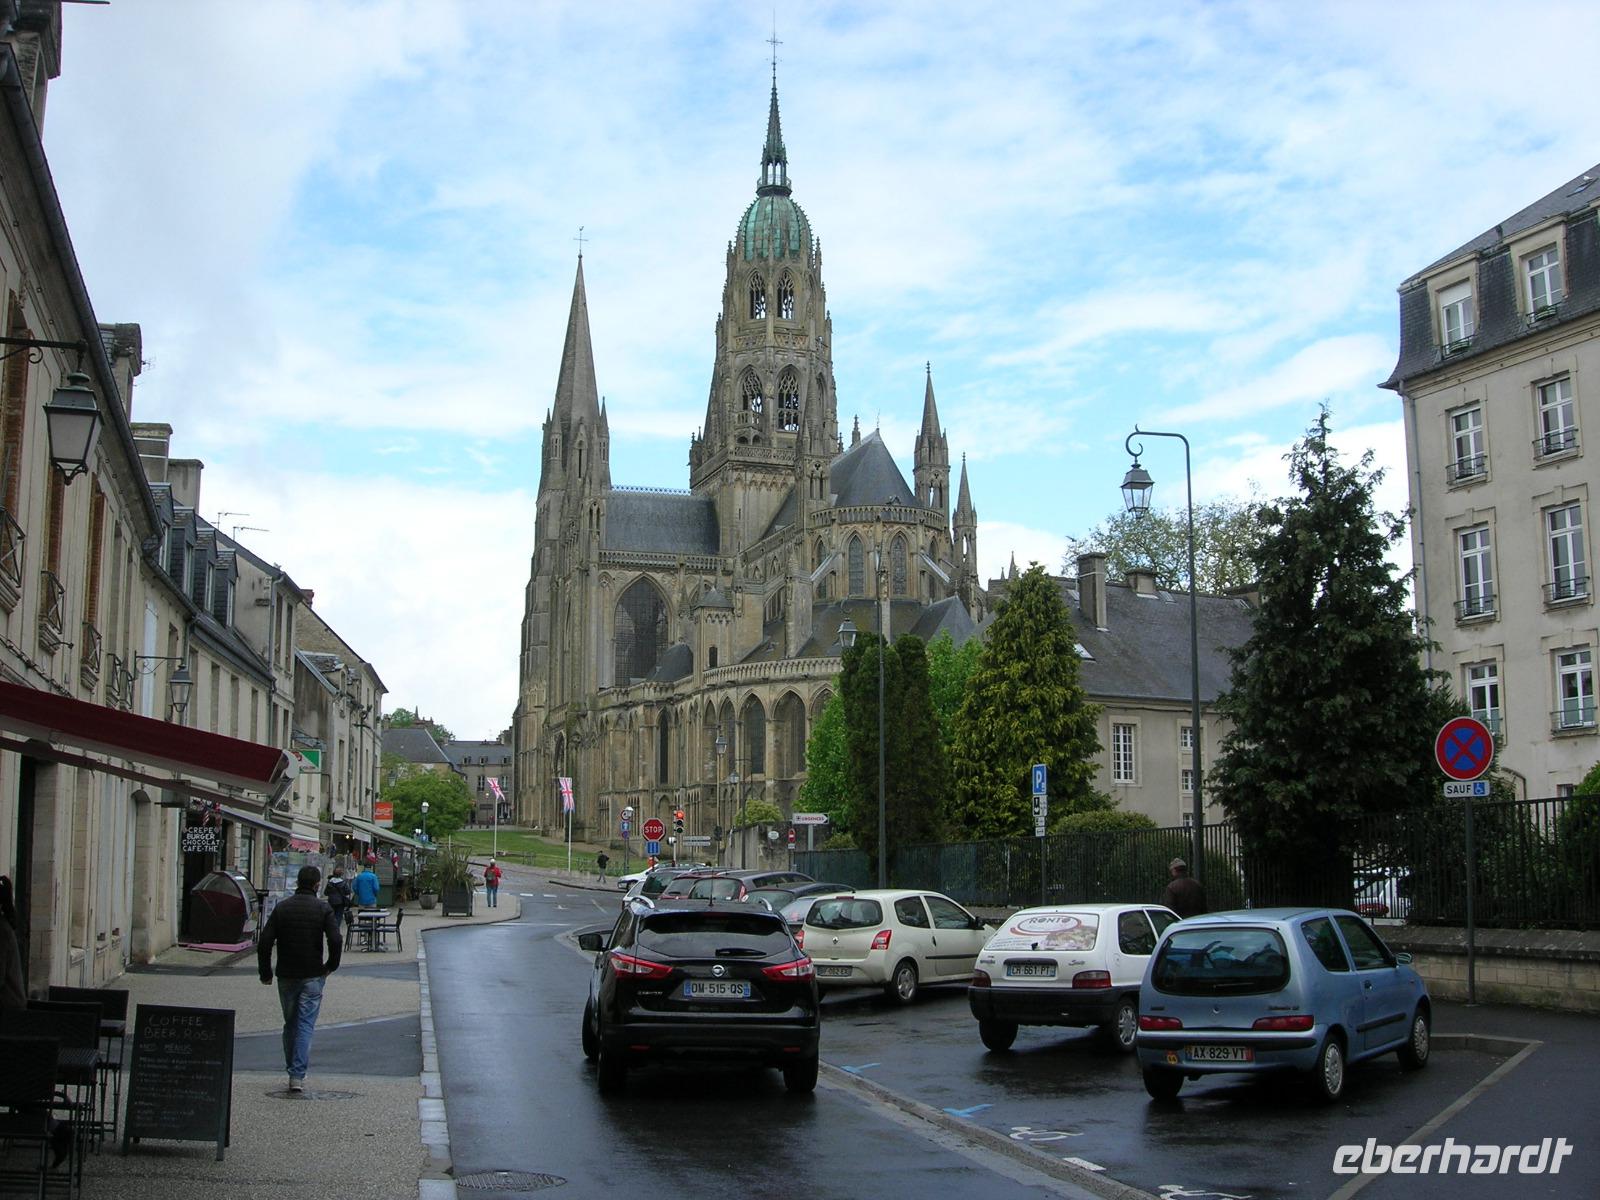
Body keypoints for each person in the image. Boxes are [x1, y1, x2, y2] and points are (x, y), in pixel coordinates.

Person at [257, 865, 342, 1093]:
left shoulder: (283, 908)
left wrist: (265, 972)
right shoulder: (323, 909)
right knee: (305, 1024)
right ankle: (297, 1075)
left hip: (287, 972)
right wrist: (331, 965)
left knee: (291, 1023)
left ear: (297, 882)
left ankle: (291, 1068)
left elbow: (265, 941)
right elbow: (335, 939)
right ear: (316, 885)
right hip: (313, 972)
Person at [324, 866, 353, 931]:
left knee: (331, 915)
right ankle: (336, 928)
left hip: (331, 901)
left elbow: (325, 893)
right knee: (339, 916)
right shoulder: (343, 882)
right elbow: (348, 891)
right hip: (340, 902)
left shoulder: (329, 883)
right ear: (341, 874)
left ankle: (331, 927)